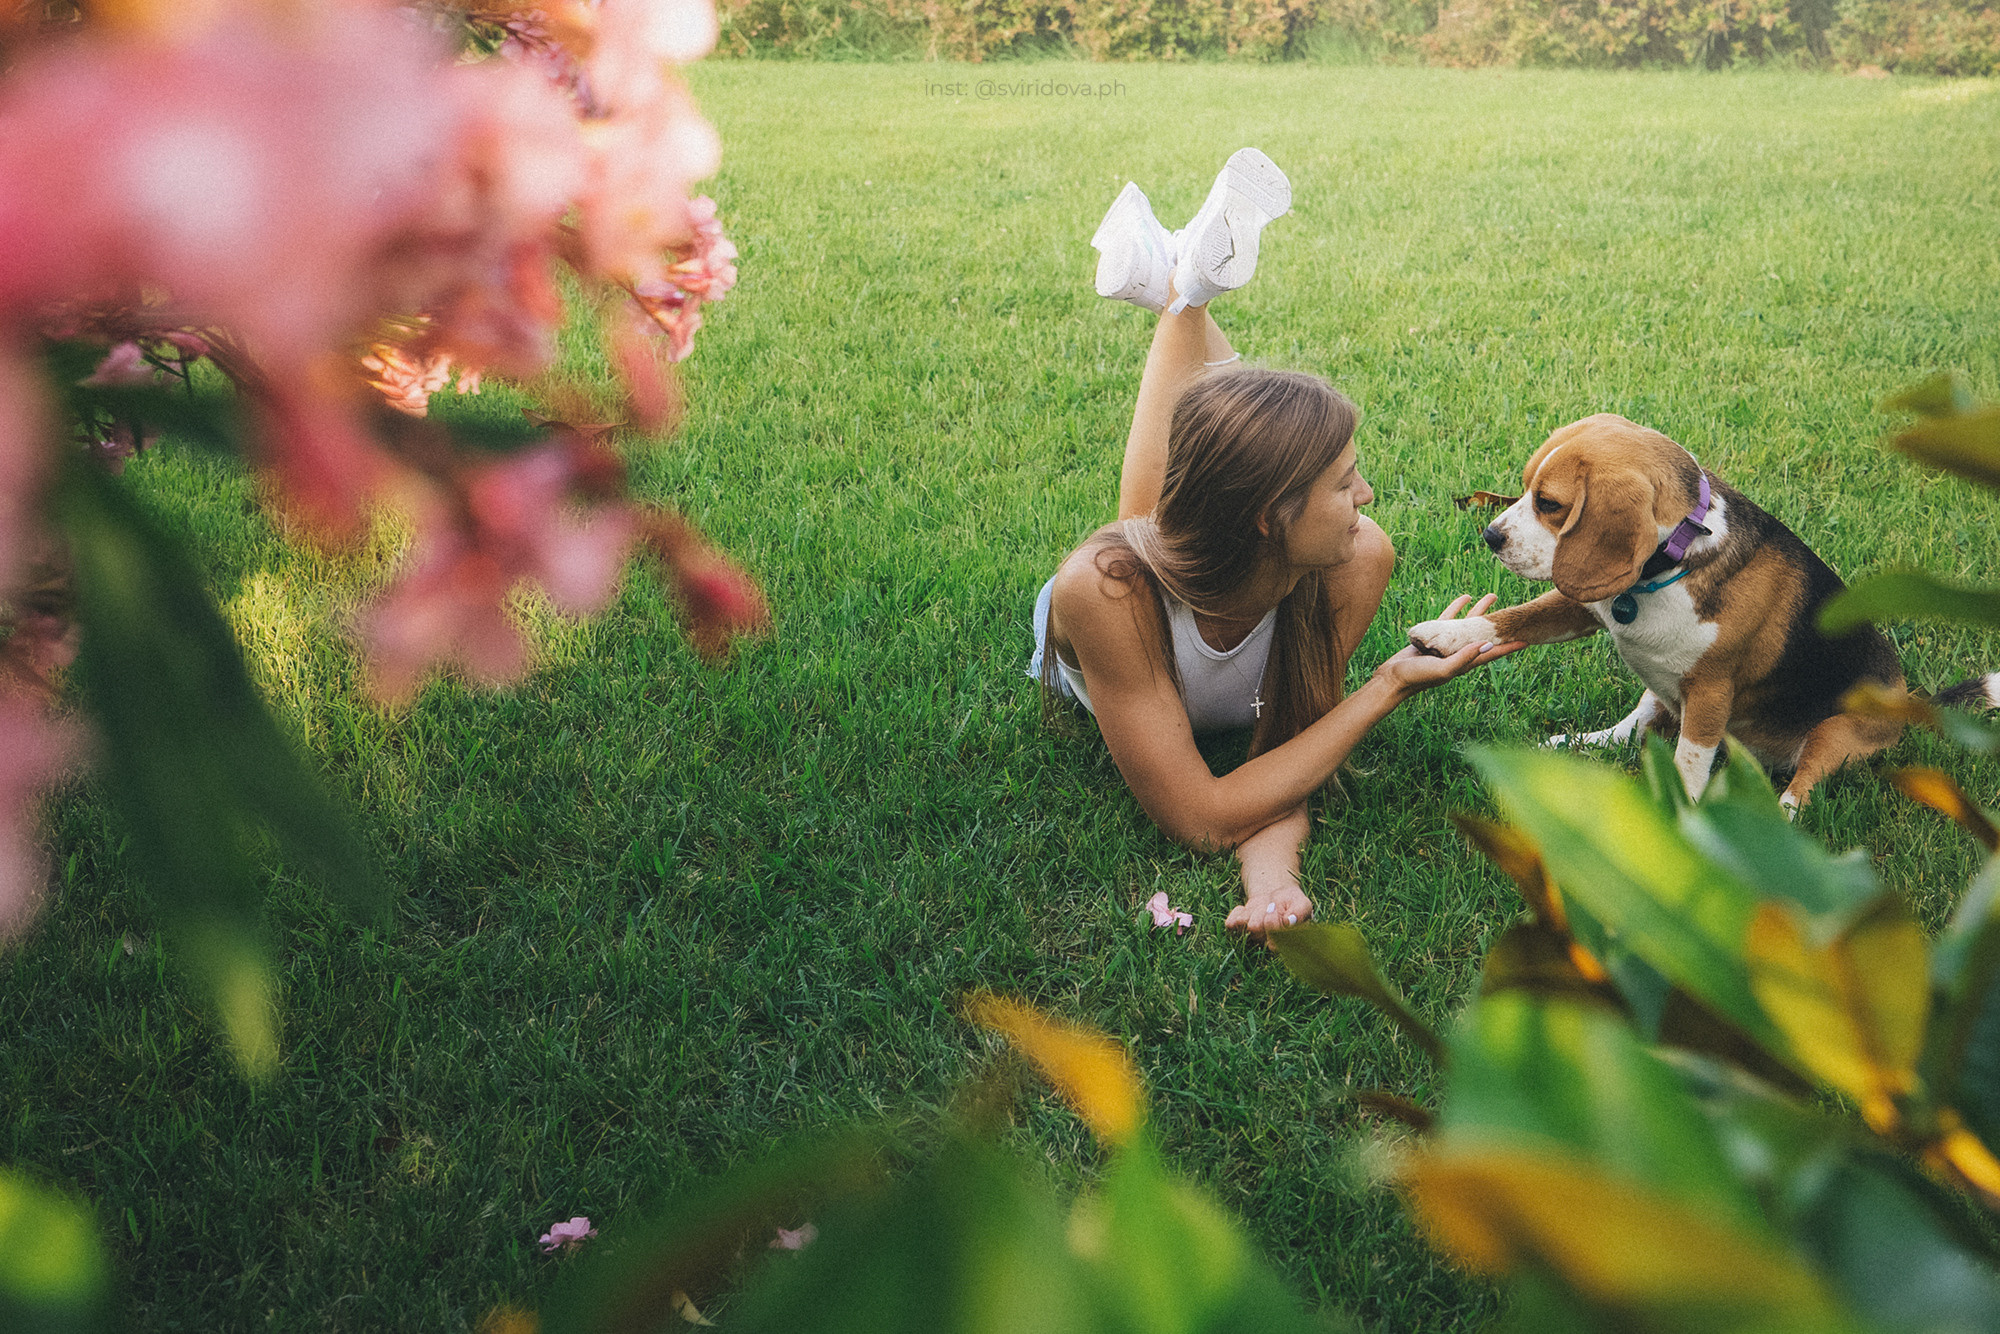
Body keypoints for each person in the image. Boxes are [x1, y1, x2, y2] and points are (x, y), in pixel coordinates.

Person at [1029, 149, 1521, 939]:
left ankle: (1179, 285)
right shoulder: (1103, 590)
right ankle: (1180, 295)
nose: (1366, 498)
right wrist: (1387, 685)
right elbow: (1202, 816)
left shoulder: (1358, 556)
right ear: (1270, 516)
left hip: (1226, 540)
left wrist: (1273, 883)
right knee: (1143, 535)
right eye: (1342, 483)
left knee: (1209, 477)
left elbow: (1287, 752)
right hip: (1145, 591)